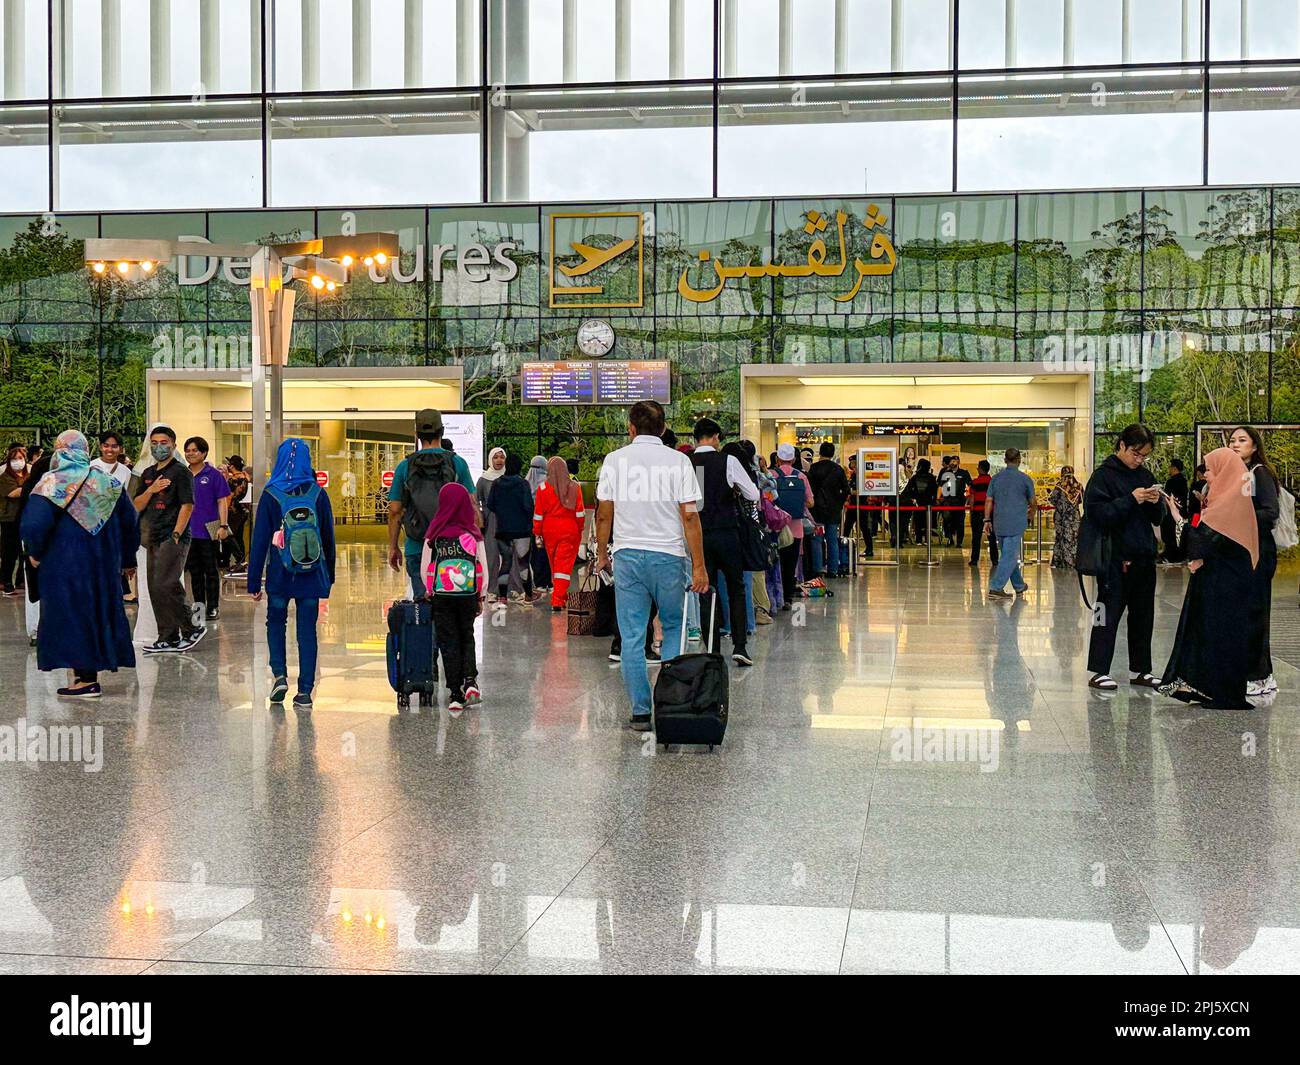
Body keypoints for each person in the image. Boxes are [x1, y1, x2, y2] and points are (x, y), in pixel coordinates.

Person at [595, 400, 708, 731]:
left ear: (631, 428)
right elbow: (689, 515)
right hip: (669, 557)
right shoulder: (679, 461)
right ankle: (669, 703)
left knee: (631, 635)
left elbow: (604, 513)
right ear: (662, 428)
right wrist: (699, 566)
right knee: (674, 627)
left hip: (628, 556)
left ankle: (641, 711)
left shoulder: (614, 461)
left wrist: (603, 554)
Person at [19, 430, 139, 698]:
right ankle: (87, 675)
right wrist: (128, 559)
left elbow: (33, 524)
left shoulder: (52, 483)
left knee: (70, 616)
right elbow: (130, 521)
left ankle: (84, 678)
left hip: (63, 565)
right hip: (103, 565)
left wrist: (34, 552)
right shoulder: (107, 482)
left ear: (60, 451)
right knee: (97, 613)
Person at [1159, 447, 1258, 709]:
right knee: (1214, 632)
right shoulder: (1229, 498)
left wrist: (1177, 517)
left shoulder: (1227, 503)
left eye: (1211, 471)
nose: (1206, 476)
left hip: (1224, 586)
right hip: (1224, 582)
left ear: (1225, 471)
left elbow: (1202, 542)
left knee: (1219, 633)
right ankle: (1208, 686)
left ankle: (1220, 691)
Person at [248, 438, 336, 710]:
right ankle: (306, 691)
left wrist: (253, 581)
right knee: (307, 630)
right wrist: (328, 577)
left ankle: (279, 675)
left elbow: (260, 540)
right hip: (310, 574)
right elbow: (328, 538)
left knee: (276, 622)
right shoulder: (317, 494)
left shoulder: (272, 493)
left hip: (279, 574)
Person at [1081, 424, 1165, 692]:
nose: (1138, 459)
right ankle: (1098, 670)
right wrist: (1131, 499)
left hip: (1143, 557)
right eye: (1135, 453)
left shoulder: (1145, 475)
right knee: (1106, 614)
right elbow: (1098, 514)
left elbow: (1157, 518)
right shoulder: (1103, 477)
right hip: (1114, 559)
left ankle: (1141, 669)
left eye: (1143, 455)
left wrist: (1154, 503)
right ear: (1121, 446)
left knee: (1143, 616)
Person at [690, 419, 760, 667]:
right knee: (736, 589)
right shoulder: (727, 461)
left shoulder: (689, 463)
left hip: (699, 536)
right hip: (728, 534)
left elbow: (690, 504)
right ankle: (740, 646)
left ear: (696, 438)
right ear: (716, 437)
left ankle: (712, 649)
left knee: (706, 591)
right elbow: (753, 494)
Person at [387, 408, 477, 598]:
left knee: (423, 605)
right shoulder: (456, 463)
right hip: (452, 547)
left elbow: (395, 510)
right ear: (442, 431)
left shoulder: (405, 466)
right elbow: (471, 505)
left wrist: (393, 547)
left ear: (417, 434)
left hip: (417, 546)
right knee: (449, 607)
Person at [132, 425, 204, 654]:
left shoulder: (180, 472)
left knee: (167, 581)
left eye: (164, 443)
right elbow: (136, 505)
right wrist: (151, 489)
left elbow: (187, 505)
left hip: (172, 536)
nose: (158, 447)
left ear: (173, 445)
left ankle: (191, 627)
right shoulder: (148, 474)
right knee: (154, 587)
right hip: (150, 536)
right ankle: (168, 635)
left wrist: (176, 533)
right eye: (154, 443)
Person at [420, 482, 488, 714]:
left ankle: (455, 695)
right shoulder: (472, 533)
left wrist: (430, 590)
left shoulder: (435, 533)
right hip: (468, 595)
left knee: (448, 641)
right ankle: (470, 680)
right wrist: (482, 596)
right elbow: (483, 568)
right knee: (466, 635)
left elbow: (425, 568)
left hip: (442, 596)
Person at [1228, 425, 1280, 698]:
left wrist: (1239, 515)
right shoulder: (1239, 474)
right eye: (1232, 440)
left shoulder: (1260, 473)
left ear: (1254, 446)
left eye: (1242, 440)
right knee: (1247, 612)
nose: (1236, 444)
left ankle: (1259, 675)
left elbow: (1271, 511)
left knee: (1255, 613)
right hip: (1244, 551)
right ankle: (1261, 672)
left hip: (1259, 551)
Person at [182, 436, 231, 621]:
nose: (190, 454)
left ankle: (213, 607)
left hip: (209, 529)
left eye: (194, 450)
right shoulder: (183, 474)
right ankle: (199, 606)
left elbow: (222, 501)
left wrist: (223, 525)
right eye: (188, 450)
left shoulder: (213, 475)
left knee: (210, 570)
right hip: (188, 531)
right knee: (194, 571)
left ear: (203, 453)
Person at [533, 456, 586, 612]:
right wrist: (580, 529)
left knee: (555, 566)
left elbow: (538, 514)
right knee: (564, 567)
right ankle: (558, 599)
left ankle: (560, 595)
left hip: (549, 532)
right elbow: (580, 514)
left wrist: (537, 532)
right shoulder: (575, 487)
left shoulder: (543, 488)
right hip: (569, 531)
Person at [485, 453, 540, 603]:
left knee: (506, 562)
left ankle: (502, 596)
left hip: (502, 530)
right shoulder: (523, 484)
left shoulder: (496, 483)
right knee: (523, 564)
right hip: (522, 530)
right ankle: (528, 594)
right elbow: (528, 506)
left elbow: (490, 505)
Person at [985, 448, 1036, 600]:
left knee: (1008, 553)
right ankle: (996, 587)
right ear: (1019, 460)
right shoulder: (1025, 479)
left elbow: (989, 500)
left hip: (999, 522)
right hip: (1016, 522)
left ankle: (1019, 585)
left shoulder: (995, 478)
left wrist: (986, 520)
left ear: (1005, 460)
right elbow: (1033, 502)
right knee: (1009, 556)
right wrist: (1031, 514)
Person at [772, 442, 814, 605]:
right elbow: (811, 502)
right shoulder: (801, 476)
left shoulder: (772, 475)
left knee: (776, 563)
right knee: (791, 563)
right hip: (796, 529)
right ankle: (788, 597)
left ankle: (776, 596)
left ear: (778, 459)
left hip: (776, 528)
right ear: (794, 459)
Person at [807, 441, 850, 579]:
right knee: (832, 540)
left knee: (816, 540)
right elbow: (846, 490)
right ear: (832, 454)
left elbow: (809, 490)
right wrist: (839, 503)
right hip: (833, 510)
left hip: (816, 510)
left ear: (820, 452)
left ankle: (817, 569)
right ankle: (833, 570)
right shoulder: (838, 469)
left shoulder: (813, 469)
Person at [476, 446, 507, 592]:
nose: (499, 460)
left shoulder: (509, 477)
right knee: (492, 554)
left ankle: (509, 588)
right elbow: (477, 500)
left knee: (509, 554)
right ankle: (492, 588)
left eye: (501, 457)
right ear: (490, 459)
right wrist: (481, 519)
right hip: (491, 520)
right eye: (496, 457)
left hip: (508, 520)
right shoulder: (484, 479)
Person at [0, 443, 28, 595]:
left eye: (20, 458)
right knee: (9, 553)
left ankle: (20, 580)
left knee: (23, 552)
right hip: (9, 520)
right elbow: (13, 493)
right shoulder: (5, 478)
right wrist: (31, 486)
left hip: (25, 518)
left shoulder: (28, 476)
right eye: (14, 459)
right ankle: (7, 581)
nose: (18, 461)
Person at [1047, 465, 1083, 569]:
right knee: (1074, 539)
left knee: (1061, 538)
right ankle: (1073, 562)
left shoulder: (1059, 486)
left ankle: (1061, 562)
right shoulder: (1079, 486)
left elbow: (1052, 499)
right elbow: (1080, 500)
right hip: (1075, 517)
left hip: (1061, 517)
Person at [221, 455, 251, 572]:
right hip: (242, 511)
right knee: (239, 537)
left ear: (232, 466)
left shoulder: (233, 480)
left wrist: (224, 511)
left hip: (232, 512)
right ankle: (242, 561)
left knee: (229, 536)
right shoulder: (244, 477)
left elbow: (228, 497)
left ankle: (239, 560)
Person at [1159, 458, 1190, 565]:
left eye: (1170, 467)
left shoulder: (1171, 481)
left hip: (1172, 511)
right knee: (1178, 533)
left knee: (1170, 534)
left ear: (1174, 468)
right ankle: (1179, 555)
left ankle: (1171, 556)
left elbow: (1168, 497)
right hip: (1182, 511)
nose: (1169, 469)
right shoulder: (1184, 481)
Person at [968, 459, 998, 567]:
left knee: (976, 537)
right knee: (992, 538)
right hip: (990, 512)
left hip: (977, 511)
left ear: (980, 469)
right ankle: (995, 560)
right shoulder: (993, 482)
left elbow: (972, 498)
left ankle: (974, 560)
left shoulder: (974, 482)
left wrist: (971, 511)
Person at [902, 457, 938, 545]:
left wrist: (913, 498)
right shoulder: (931, 477)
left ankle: (918, 539)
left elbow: (910, 489)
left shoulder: (915, 477)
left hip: (917, 503)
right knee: (927, 521)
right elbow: (935, 490)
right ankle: (927, 539)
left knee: (918, 521)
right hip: (928, 502)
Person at [938, 455, 973, 547]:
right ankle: (949, 539)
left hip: (959, 500)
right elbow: (941, 486)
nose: (953, 463)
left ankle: (959, 542)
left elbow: (970, 485)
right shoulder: (945, 473)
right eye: (951, 461)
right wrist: (938, 498)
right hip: (947, 500)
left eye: (955, 461)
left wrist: (969, 497)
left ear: (958, 462)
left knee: (960, 521)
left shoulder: (964, 473)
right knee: (947, 519)